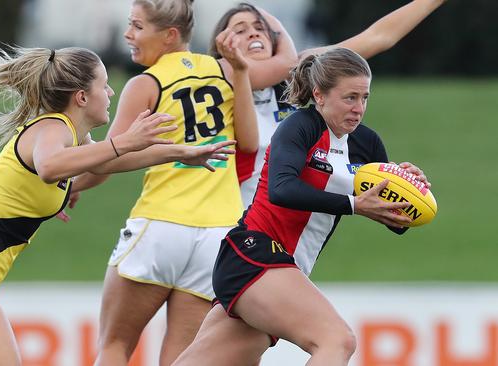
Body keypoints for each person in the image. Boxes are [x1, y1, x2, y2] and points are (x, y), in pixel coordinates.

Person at [0, 45, 237, 366]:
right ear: (81, 97)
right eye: (105, 86)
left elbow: (109, 162)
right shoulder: (52, 128)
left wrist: (177, 154)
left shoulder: (69, 136)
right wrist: (125, 140)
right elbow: (52, 167)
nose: (112, 93)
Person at [172, 48, 431, 366]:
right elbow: (282, 190)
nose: (358, 108)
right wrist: (352, 204)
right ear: (319, 95)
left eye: (364, 97)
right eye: (349, 97)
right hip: (254, 254)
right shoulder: (301, 126)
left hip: (284, 271)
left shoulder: (367, 143)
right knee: (337, 340)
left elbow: (394, 221)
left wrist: (407, 192)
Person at [85, 1, 294, 364]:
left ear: (169, 35)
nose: (128, 35)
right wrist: (267, 22)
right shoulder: (227, 71)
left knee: (115, 345)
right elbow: (252, 134)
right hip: (216, 236)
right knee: (182, 357)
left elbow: (107, 159)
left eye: (137, 26)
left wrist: (70, 187)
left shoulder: (145, 84)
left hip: (160, 225)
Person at [207, 0, 445, 207]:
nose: (253, 33)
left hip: (290, 229)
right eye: (239, 30)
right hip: (232, 225)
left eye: (261, 28)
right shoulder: (210, 89)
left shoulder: (296, 75)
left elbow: (377, 37)